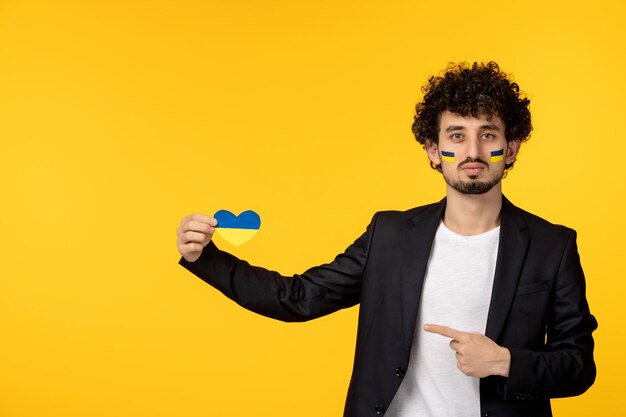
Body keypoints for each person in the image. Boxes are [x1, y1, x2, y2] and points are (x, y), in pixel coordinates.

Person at [176, 62, 597, 417]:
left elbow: (579, 366)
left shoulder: (552, 246)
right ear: (433, 150)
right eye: (456, 135)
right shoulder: (390, 235)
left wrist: (506, 362)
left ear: (512, 147)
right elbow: (298, 297)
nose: (472, 150)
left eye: (488, 134)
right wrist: (206, 259)